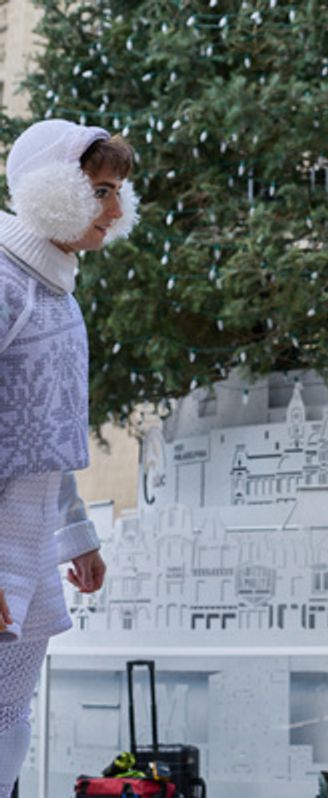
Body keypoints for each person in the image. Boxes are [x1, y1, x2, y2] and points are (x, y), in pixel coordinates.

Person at [0, 119, 139, 795]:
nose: (115, 210)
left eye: (119, 192)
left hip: (29, 542)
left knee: (9, 712)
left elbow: (44, 440)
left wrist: (77, 535)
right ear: (50, 191)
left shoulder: (56, 293)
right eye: (101, 191)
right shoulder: (5, 284)